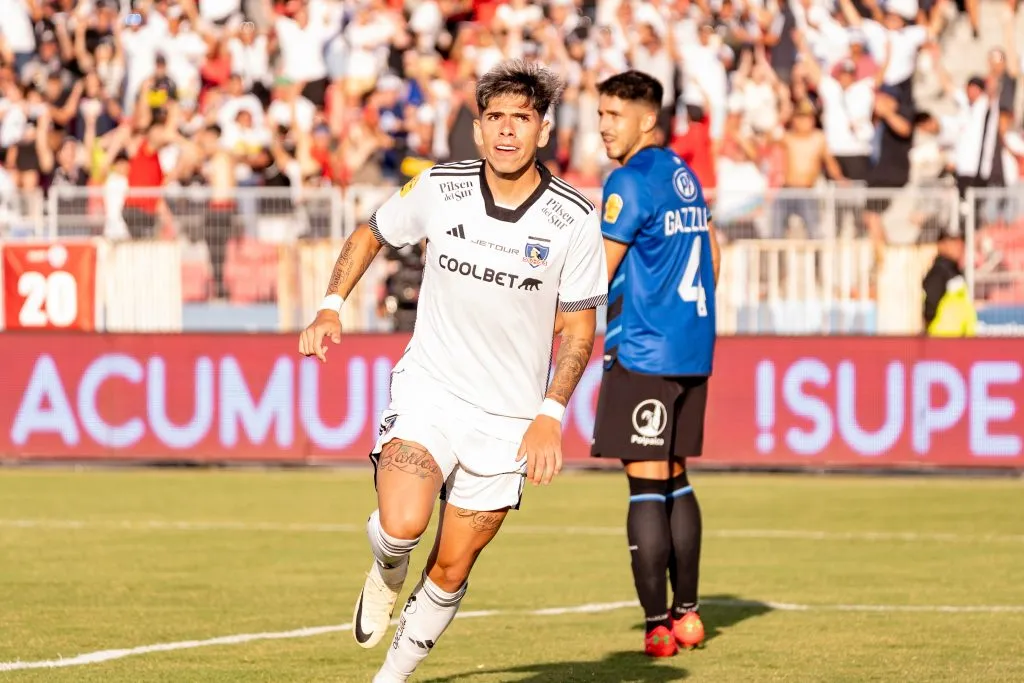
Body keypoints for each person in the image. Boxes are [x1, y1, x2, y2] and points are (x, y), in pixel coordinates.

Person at [298, 59, 607, 682]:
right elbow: (371, 233)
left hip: (510, 418)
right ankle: (385, 569)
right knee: (403, 524)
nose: (506, 131)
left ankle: (390, 678)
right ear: (477, 127)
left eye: (522, 119)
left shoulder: (574, 218)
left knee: (451, 567)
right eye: (494, 117)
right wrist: (331, 307)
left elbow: (577, 327)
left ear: (543, 131)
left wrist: (551, 414)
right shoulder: (442, 187)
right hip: (431, 391)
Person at [589, 70, 721, 658]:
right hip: (692, 350)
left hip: (643, 352)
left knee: (644, 484)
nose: (602, 127)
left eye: (613, 116)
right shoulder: (682, 174)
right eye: (599, 115)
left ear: (646, 119)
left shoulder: (629, 180)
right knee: (676, 476)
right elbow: (712, 255)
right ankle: (689, 615)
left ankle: (656, 626)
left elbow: (596, 272)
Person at [923, 229, 977, 337]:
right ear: (942, 245)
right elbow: (931, 302)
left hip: (957, 337)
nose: (959, 247)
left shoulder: (953, 270)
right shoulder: (939, 271)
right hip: (943, 337)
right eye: (954, 242)